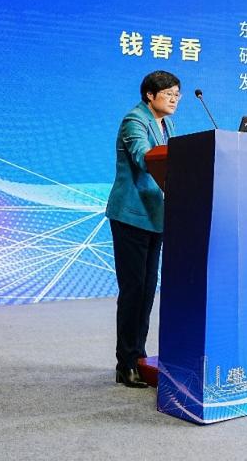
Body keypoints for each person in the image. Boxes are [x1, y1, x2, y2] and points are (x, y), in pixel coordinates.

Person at [106, 70, 181, 387]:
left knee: (147, 290)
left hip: (156, 216)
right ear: (150, 95)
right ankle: (126, 363)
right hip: (131, 215)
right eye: (168, 94)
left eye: (177, 94)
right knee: (133, 290)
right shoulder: (134, 120)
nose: (174, 99)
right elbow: (143, 156)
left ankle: (138, 354)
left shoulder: (168, 124)